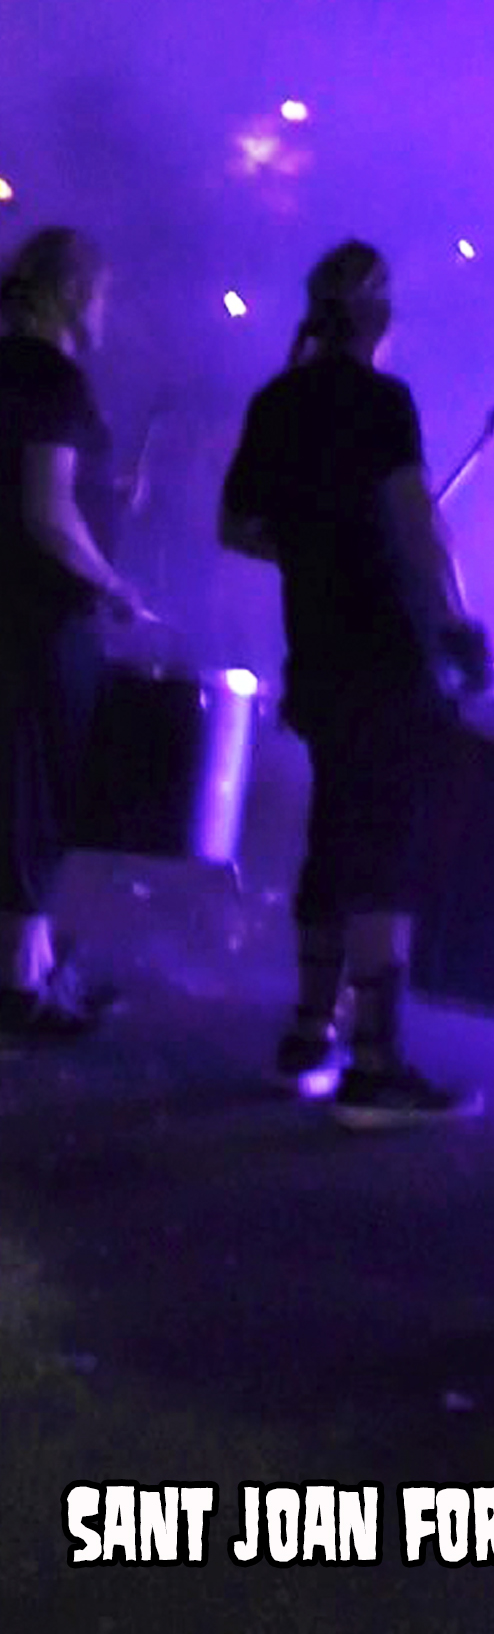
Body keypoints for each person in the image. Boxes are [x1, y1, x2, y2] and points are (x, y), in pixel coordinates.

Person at [220, 241, 488, 1125]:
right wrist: (453, 627)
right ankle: (375, 1063)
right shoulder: (382, 403)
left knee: (333, 833)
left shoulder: (279, 401)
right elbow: (417, 527)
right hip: (385, 656)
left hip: (317, 649)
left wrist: (314, 552)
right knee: (381, 851)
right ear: (378, 316)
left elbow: (235, 526)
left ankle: (308, 1033)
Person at [0, 228, 142, 1042]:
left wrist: (107, 493)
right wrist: (113, 585)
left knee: (15, 787)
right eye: (102, 294)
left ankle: (35, 962)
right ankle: (20, 986)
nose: (105, 310)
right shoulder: (54, 381)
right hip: (42, 623)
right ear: (73, 293)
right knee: (39, 793)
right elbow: (47, 511)